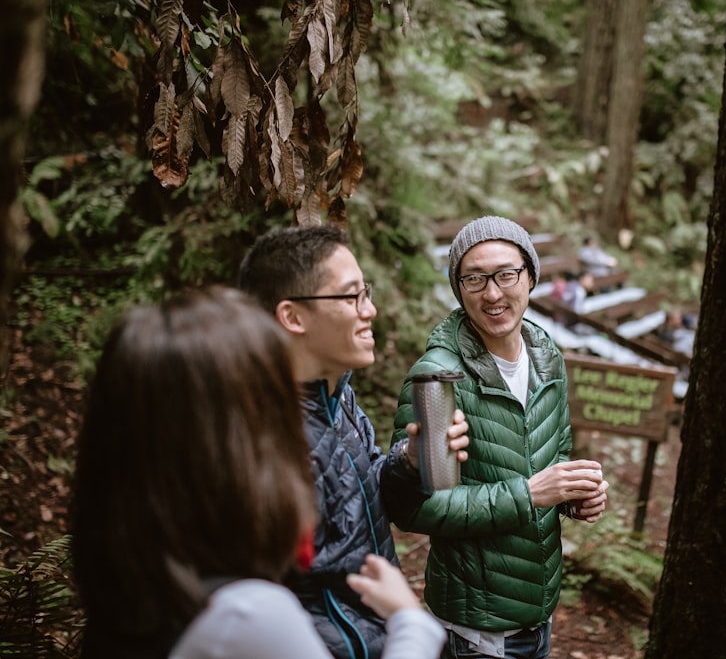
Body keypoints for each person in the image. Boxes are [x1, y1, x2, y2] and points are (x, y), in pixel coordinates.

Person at [71, 287, 445, 659]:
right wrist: (410, 621)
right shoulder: (245, 616)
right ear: (232, 435)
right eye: (276, 394)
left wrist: (408, 461)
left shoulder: (137, 585)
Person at [385, 216, 610, 659]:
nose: (492, 293)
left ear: (530, 278)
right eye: (474, 279)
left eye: (506, 274)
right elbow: (413, 507)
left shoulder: (547, 356)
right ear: (459, 288)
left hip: (538, 610)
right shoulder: (438, 377)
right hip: (477, 627)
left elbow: (552, 457)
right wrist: (529, 494)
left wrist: (570, 496)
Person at [237, 225, 465, 659]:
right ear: (293, 316)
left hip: (381, 633)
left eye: (368, 293)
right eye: (351, 296)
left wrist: (411, 460)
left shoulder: (336, 395)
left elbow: (361, 493)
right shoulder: (257, 438)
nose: (371, 310)